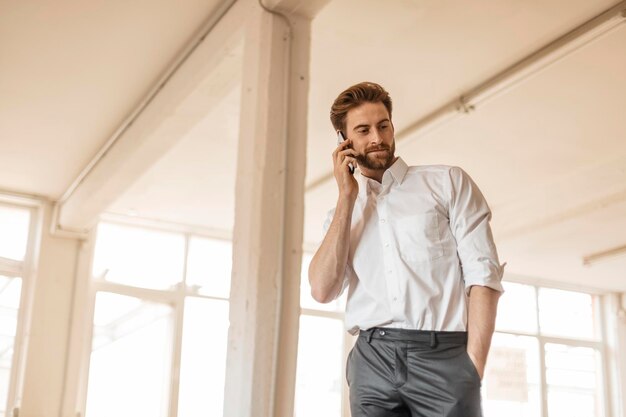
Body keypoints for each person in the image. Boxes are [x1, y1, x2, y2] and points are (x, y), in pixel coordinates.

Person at [308, 81, 505, 417]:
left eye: (383, 126)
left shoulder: (446, 182)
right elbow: (322, 290)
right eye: (364, 129)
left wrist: (473, 368)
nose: (377, 138)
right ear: (344, 142)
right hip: (372, 359)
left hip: (444, 356)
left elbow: (482, 274)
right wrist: (346, 197)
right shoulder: (342, 215)